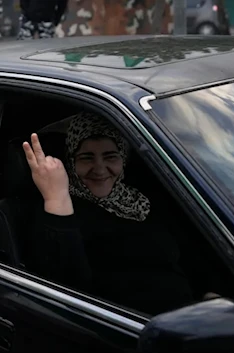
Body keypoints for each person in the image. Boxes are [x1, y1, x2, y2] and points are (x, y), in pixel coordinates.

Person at [21, 112, 219, 316]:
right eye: (86, 158)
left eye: (110, 156)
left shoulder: (141, 200)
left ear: (123, 159)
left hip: (191, 316)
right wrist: (57, 197)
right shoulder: (58, 209)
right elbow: (66, 289)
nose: (99, 169)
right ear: (71, 162)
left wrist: (208, 294)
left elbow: (188, 255)